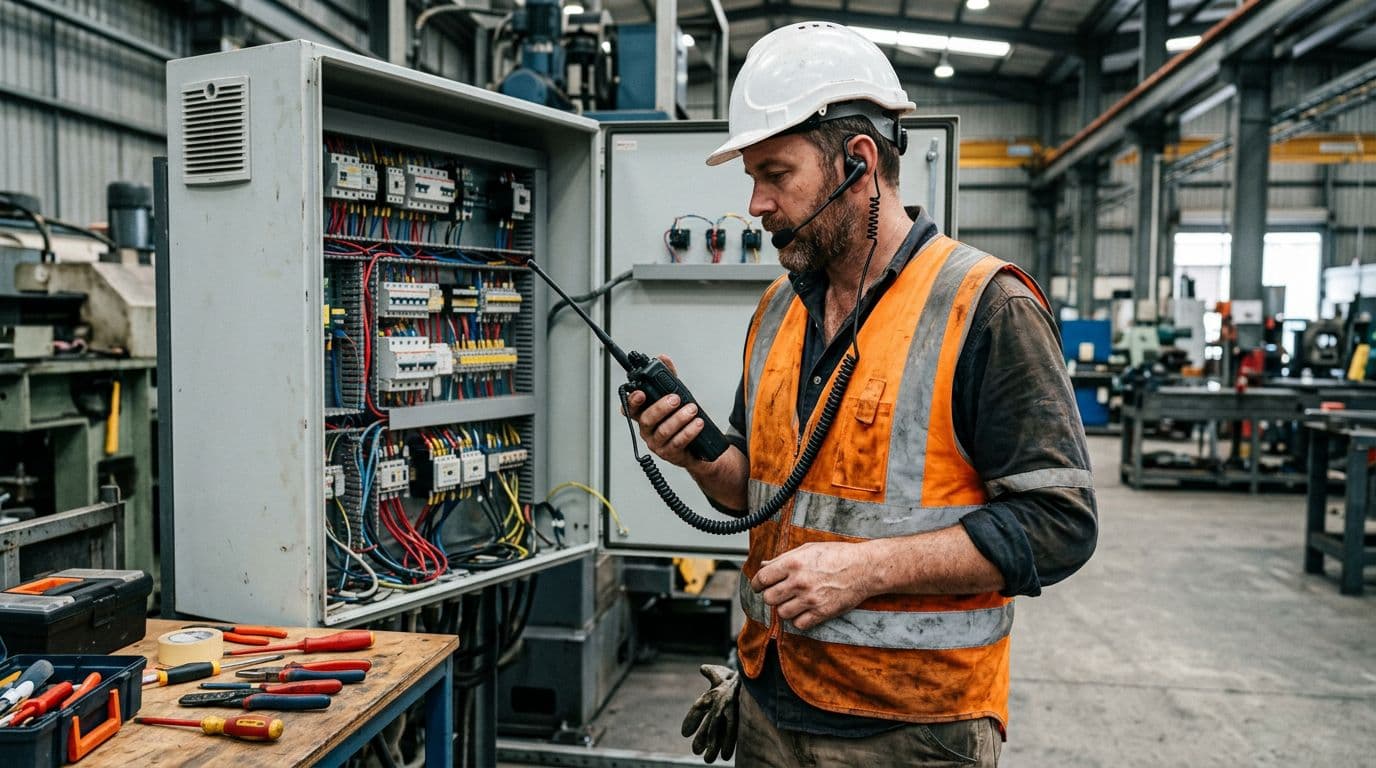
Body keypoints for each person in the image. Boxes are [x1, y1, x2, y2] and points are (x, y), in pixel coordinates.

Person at [627, 21, 1098, 768]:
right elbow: (761, 494)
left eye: (776, 174)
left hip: (909, 730)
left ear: (858, 161)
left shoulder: (985, 306)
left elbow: (1058, 524)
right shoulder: (780, 310)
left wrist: (863, 569)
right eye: (752, 178)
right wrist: (695, 455)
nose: (756, 204)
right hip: (767, 699)